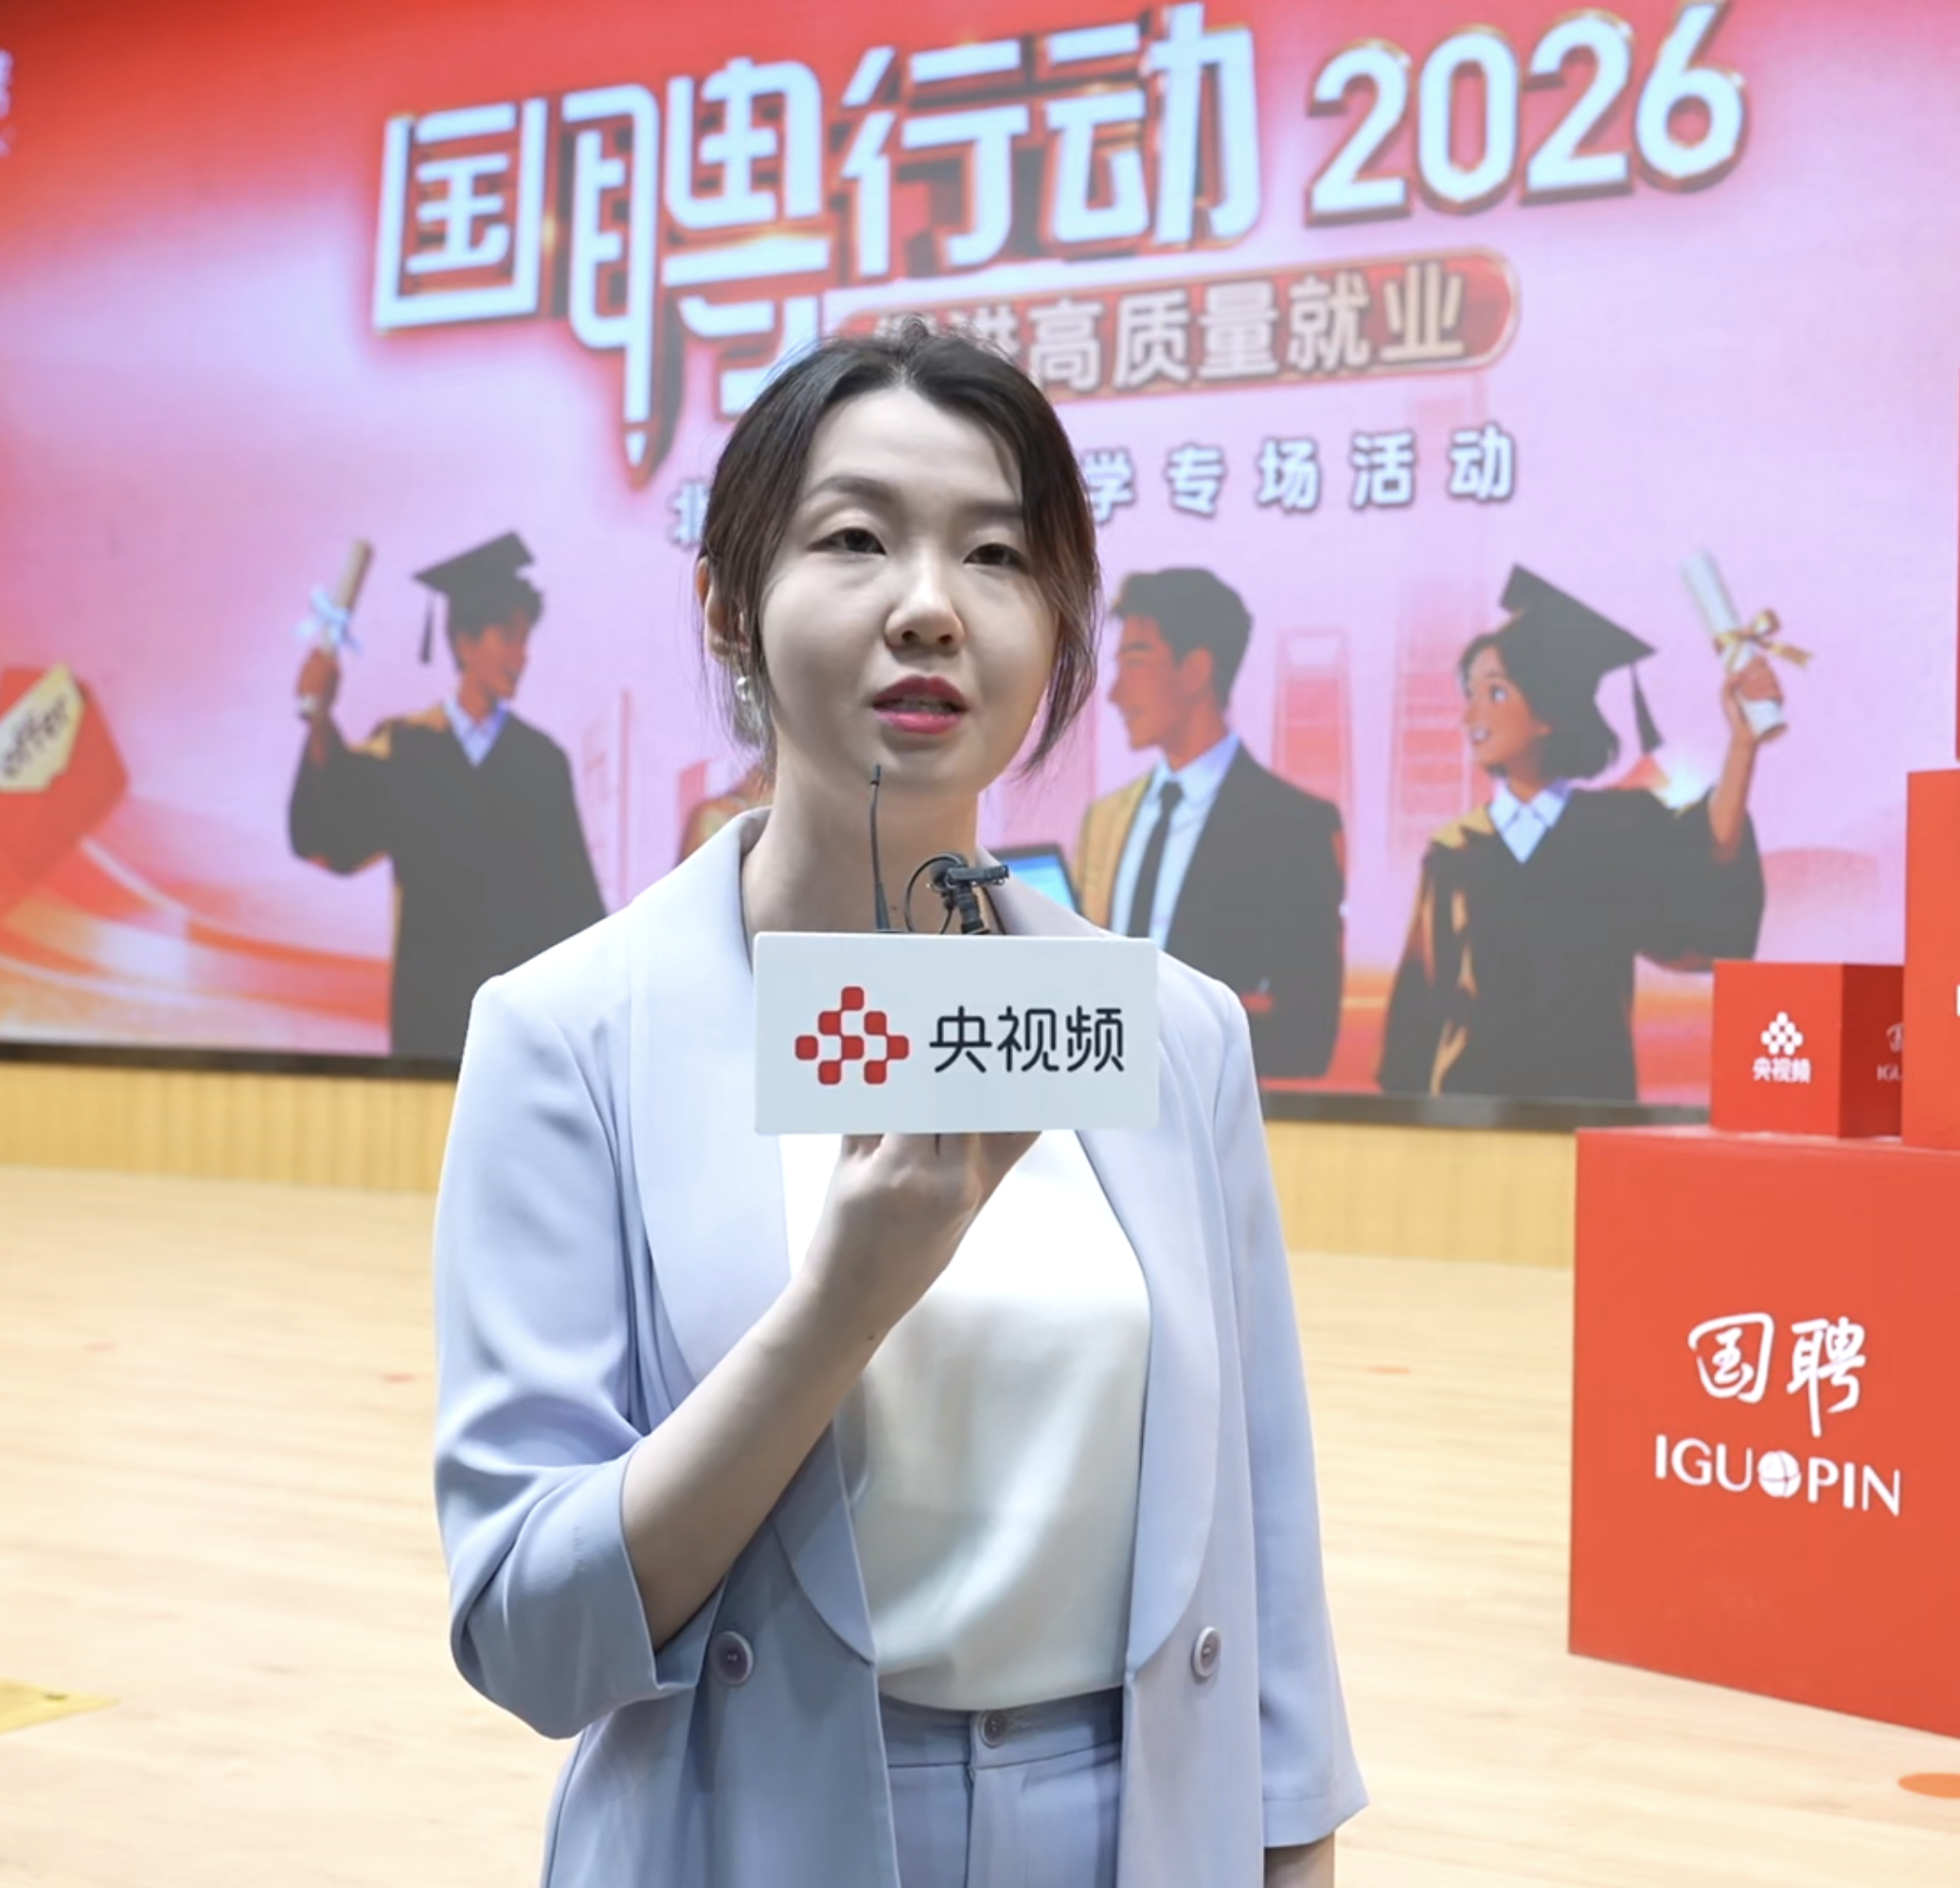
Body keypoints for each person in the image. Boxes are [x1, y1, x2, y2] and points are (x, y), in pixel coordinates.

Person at [431, 320, 1364, 1888]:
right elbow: (530, 1629)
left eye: (996, 554)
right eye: (854, 538)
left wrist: (1295, 1848)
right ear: (729, 602)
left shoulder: (1166, 1032)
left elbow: (1258, 1540)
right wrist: (840, 1306)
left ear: (1058, 624)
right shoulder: (571, 1034)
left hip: (1133, 1835)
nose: (929, 604)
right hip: (753, 1828)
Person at [1376, 565, 1781, 1102]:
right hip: (1468, 1113)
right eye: (1469, 692)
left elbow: (1710, 855)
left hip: (1588, 1106)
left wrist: (1743, 745)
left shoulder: (1615, 829)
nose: (1470, 715)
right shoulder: (1455, 851)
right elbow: (1420, 1006)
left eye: (1495, 693)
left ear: (1549, 714)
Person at [288, 532, 605, 1059]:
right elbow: (332, 832)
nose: (521, 656)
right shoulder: (407, 748)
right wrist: (320, 719)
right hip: (428, 1027)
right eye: (507, 636)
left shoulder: (542, 763)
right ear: (464, 642)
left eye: (525, 639)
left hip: (518, 1034)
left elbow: (575, 912)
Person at [1074, 568, 1346, 1078]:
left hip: (1221, 1111)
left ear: (1195, 670)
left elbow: (1308, 1031)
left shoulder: (1296, 827)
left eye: (1135, 661)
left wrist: (1161, 1035)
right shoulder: (1104, 822)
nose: (1114, 693)